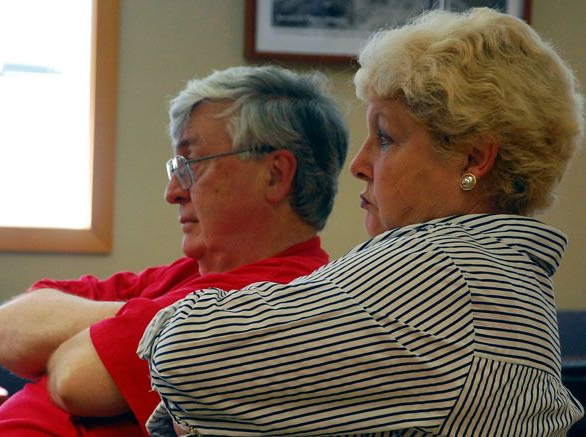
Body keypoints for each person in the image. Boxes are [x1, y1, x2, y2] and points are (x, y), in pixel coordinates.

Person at [138, 8, 585, 436]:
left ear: (474, 158)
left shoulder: (436, 270)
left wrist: (168, 336)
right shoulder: (507, 274)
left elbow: (186, 355)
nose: (358, 163)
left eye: (386, 137)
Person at [0, 65, 349, 436]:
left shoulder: (278, 301)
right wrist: (141, 318)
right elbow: (0, 331)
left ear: (275, 174)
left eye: (191, 165)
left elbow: (75, 379)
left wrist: (118, 324)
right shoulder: (188, 274)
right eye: (176, 166)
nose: (172, 192)